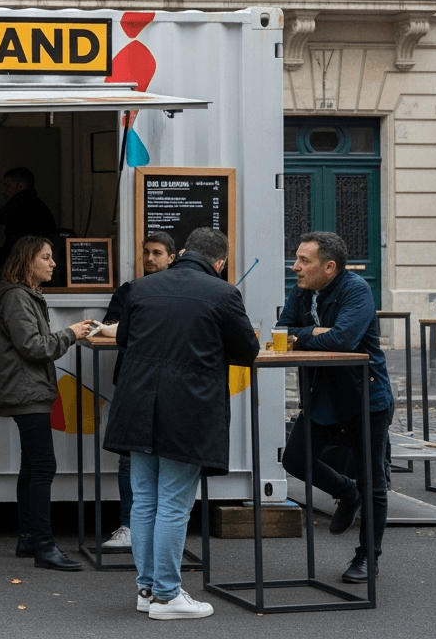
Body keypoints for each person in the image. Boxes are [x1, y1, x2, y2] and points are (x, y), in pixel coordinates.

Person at [103, 228, 259, 620]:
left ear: (184, 251)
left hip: (136, 404)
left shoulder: (140, 288)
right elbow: (247, 351)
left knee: (144, 499)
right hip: (186, 408)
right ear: (219, 263)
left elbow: (124, 339)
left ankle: (147, 590)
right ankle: (167, 596)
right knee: (173, 502)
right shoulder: (224, 293)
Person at [278, 231, 392, 585]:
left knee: (372, 481)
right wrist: (314, 332)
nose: (295, 267)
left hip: (364, 398)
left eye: (304, 261)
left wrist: (303, 335)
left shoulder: (356, 289)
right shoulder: (301, 290)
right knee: (295, 460)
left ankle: (367, 556)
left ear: (329, 267)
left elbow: (342, 339)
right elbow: (282, 331)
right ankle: (345, 491)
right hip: (322, 396)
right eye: (297, 259)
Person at [0, 235, 96, 571]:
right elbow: (34, 347)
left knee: (32, 465)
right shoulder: (18, 298)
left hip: (27, 389)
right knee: (44, 466)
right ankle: (45, 547)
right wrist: (71, 333)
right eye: (46, 257)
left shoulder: (25, 296)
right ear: (28, 262)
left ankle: (29, 539)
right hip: (27, 391)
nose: (53, 264)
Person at [95, 231, 178, 553]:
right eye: (146, 252)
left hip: (171, 383)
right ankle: (129, 526)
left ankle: (163, 527)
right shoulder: (129, 290)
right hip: (132, 382)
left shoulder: (182, 291)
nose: (150, 258)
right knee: (130, 457)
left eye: (157, 252)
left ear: (172, 257)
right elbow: (110, 328)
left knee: (171, 457)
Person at [0, 167, 60, 267]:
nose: (4, 191)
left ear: (20, 186)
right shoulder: (40, 206)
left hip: (22, 263)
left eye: (7, 186)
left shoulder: (20, 203)